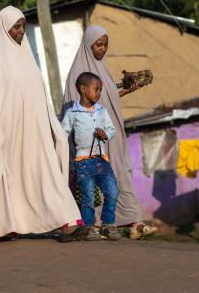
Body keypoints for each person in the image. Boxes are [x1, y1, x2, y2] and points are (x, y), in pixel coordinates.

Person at [0, 6, 90, 246]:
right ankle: (7, 225)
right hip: (8, 134)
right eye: (16, 27)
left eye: (23, 26)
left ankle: (68, 222)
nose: (22, 31)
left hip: (35, 134)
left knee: (45, 174)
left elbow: (39, 95)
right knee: (11, 181)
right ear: (4, 28)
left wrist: (53, 127)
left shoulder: (27, 58)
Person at [61, 25, 157, 239]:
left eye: (106, 45)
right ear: (88, 45)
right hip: (90, 140)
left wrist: (123, 91)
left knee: (120, 172)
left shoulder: (102, 69)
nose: (103, 49)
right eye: (99, 44)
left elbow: (102, 101)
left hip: (110, 135)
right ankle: (95, 225)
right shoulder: (78, 74)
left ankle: (134, 221)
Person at [61, 72, 121, 240]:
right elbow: (62, 133)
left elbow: (112, 130)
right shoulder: (72, 113)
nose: (99, 93)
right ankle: (86, 229)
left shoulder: (102, 111)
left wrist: (105, 134)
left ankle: (107, 225)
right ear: (83, 89)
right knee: (87, 196)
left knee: (112, 191)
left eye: (100, 90)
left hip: (102, 160)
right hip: (83, 163)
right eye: (96, 89)